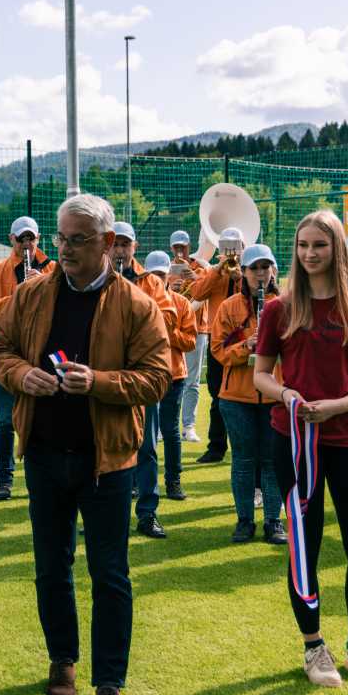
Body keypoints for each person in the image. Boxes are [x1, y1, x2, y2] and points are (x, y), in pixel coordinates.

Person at [0, 194, 171, 695]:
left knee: (110, 573)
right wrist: (22, 374)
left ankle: (109, 681)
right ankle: (62, 659)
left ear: (108, 244)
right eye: (61, 238)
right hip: (45, 453)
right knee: (52, 566)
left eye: (78, 240)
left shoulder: (138, 304)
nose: (64, 250)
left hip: (107, 461)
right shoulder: (31, 294)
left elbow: (157, 378)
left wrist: (99, 382)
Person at [253, 210, 348, 689]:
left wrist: (337, 406)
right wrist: (287, 395)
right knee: (303, 549)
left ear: (337, 249)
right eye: (303, 245)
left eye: (320, 245)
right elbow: (261, 374)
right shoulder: (279, 308)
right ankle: (314, 647)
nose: (310, 254)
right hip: (292, 441)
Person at [209, 243, 287, 544]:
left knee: (271, 460)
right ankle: (244, 520)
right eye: (254, 268)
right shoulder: (229, 307)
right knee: (243, 460)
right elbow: (218, 351)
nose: (260, 274)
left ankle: (272, 521)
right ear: (243, 272)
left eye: (265, 268)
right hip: (237, 397)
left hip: (274, 395)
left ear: (273, 271)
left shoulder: (286, 304)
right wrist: (247, 346)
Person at [0, 215, 53, 501]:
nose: (26, 243)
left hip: (41, 354)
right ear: (11, 240)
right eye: (21, 238)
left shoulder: (52, 268)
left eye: (31, 238)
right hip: (9, 355)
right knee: (5, 422)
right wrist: (18, 294)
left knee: (44, 422)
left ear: (38, 239)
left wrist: (44, 285)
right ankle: (4, 480)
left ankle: (42, 479)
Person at [112, 222, 178, 538]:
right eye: (115, 244)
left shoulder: (150, 282)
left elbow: (166, 319)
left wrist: (132, 300)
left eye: (125, 244)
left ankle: (147, 513)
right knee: (106, 444)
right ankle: (106, 511)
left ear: (134, 247)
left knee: (146, 446)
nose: (120, 250)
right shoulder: (95, 280)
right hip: (107, 375)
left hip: (142, 376)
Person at [135, 251, 196, 533]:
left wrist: (163, 333)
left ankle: (173, 480)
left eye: (162, 274)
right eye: (154, 274)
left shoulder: (182, 303)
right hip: (147, 376)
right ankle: (137, 485)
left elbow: (190, 340)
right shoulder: (138, 295)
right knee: (143, 436)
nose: (159, 279)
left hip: (173, 374)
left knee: (170, 432)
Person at [188, 226, 246, 463]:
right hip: (218, 338)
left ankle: (241, 445)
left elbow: (255, 296)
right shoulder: (213, 271)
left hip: (243, 337)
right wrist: (218, 270)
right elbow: (198, 293)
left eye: (236, 248)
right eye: (227, 248)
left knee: (243, 393)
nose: (232, 253)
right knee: (217, 393)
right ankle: (217, 447)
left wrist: (239, 276)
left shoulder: (249, 271)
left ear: (243, 248)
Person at [169, 230, 211, 443]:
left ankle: (189, 426)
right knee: (169, 378)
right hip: (170, 329)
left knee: (192, 381)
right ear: (171, 248)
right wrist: (171, 287)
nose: (179, 250)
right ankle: (167, 425)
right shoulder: (166, 269)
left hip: (197, 328)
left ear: (189, 245)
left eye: (182, 246)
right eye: (175, 247)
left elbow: (205, 295)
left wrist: (194, 280)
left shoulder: (202, 267)